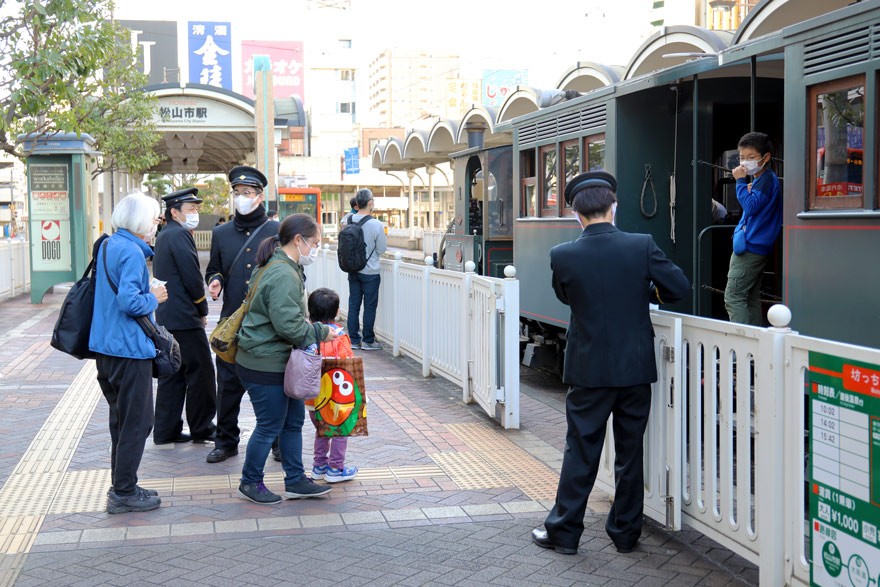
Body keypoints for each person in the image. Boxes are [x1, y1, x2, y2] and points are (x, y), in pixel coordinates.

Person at [531, 171, 690, 555]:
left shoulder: (563, 255)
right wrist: (645, 289)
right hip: (635, 368)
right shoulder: (641, 246)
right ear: (613, 207)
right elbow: (679, 288)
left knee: (581, 450)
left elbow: (566, 297)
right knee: (630, 452)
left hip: (588, 370)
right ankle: (625, 533)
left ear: (576, 214)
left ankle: (565, 532)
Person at [235, 213, 339, 503]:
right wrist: (321, 331)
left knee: (292, 423)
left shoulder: (277, 265)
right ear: (298, 240)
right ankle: (250, 482)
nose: (315, 249)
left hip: (277, 360)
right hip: (264, 362)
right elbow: (288, 325)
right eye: (314, 243)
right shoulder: (283, 273)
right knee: (269, 425)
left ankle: (295, 479)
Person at [89, 192, 168, 514]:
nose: (155, 224)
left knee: (120, 422)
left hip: (105, 348)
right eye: (153, 218)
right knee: (138, 422)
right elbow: (130, 302)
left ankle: (124, 484)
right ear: (139, 221)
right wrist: (155, 297)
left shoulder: (107, 244)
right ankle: (123, 492)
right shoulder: (133, 252)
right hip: (129, 350)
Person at [204, 166, 280, 464]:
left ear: (260, 196)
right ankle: (226, 441)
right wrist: (215, 280)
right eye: (237, 193)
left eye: (247, 193)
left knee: (272, 384)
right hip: (232, 323)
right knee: (227, 386)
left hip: (267, 323)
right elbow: (215, 267)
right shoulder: (221, 233)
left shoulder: (276, 232)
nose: (241, 198)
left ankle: (276, 441)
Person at [152, 188, 216, 445]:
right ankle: (202, 426)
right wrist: (202, 308)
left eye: (196, 209)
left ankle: (165, 430)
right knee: (201, 374)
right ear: (174, 212)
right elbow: (191, 275)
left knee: (173, 374)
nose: (195, 213)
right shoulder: (179, 234)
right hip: (184, 316)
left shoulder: (166, 234)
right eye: (190, 209)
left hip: (168, 315)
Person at [724, 132, 782, 326]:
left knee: (733, 297)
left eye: (751, 157)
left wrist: (739, 182)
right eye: (741, 158)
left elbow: (750, 207)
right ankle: (754, 350)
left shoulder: (765, 179)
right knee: (750, 298)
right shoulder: (763, 179)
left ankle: (740, 347)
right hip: (758, 247)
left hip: (751, 248)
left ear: (766, 158)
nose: (745, 162)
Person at [305, 287, 358, 483]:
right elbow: (348, 365)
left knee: (321, 430)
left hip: (312, 397)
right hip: (335, 398)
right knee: (339, 431)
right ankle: (336, 468)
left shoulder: (306, 334)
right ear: (336, 312)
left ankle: (319, 466)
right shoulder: (340, 337)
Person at [346, 188, 386, 350]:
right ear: (370, 203)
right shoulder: (376, 224)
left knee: (353, 305)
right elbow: (381, 249)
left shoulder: (348, 220)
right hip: (370, 272)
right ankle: (368, 340)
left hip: (353, 270)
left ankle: (354, 340)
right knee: (369, 306)